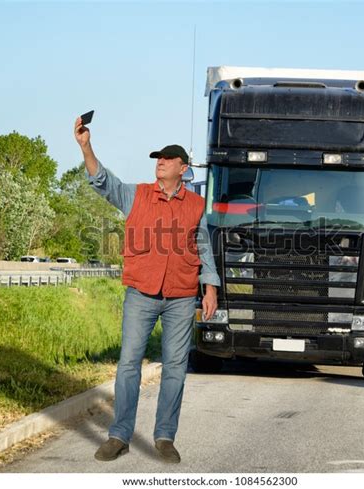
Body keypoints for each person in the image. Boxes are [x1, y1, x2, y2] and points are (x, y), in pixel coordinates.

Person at [74, 116, 221, 464]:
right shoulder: (137, 195)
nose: (160, 162)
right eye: (158, 158)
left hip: (181, 296)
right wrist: (85, 146)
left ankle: (165, 436)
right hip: (141, 292)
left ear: (183, 169)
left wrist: (210, 287)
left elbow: (204, 247)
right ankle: (119, 435)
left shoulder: (196, 205)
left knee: (174, 367)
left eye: (167, 159)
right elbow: (102, 181)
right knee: (128, 365)